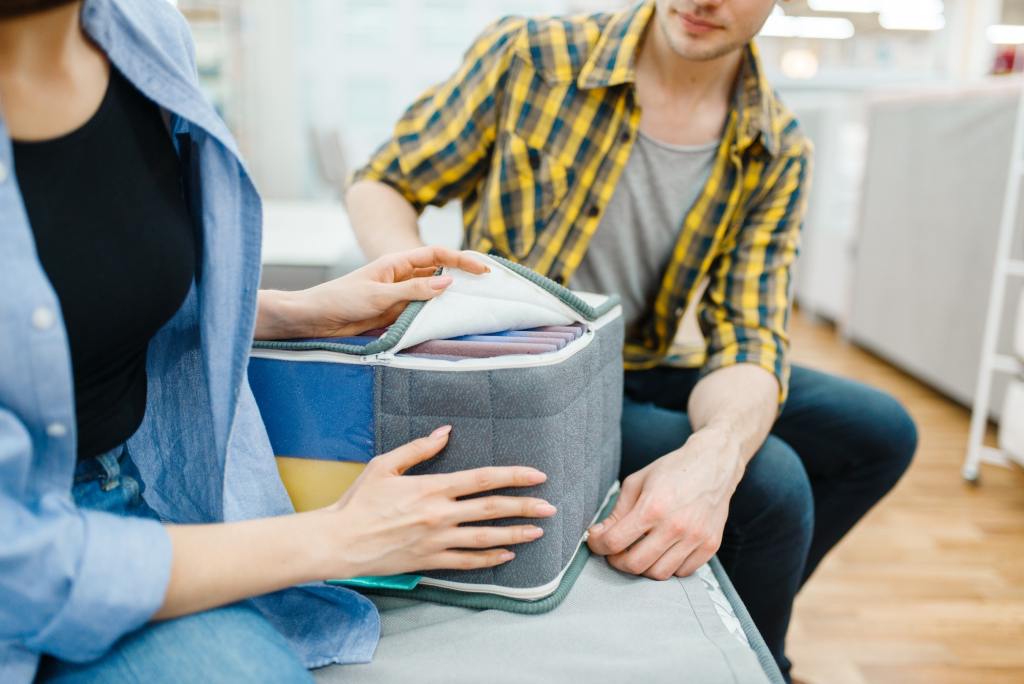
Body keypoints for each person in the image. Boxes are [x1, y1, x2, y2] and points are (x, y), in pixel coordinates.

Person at [346, 0, 918, 679]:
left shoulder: (776, 147)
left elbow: (749, 338)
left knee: (879, 432)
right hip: (540, 372)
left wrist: (714, 455)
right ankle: (762, 664)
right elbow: (384, 181)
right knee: (776, 489)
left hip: (640, 357)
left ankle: (736, 626)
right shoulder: (535, 55)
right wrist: (422, 291)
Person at [0, 1, 556, 682]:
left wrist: (297, 312)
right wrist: (338, 538)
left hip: (136, 497)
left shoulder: (144, 35)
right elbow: (21, 569)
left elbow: (70, 297)